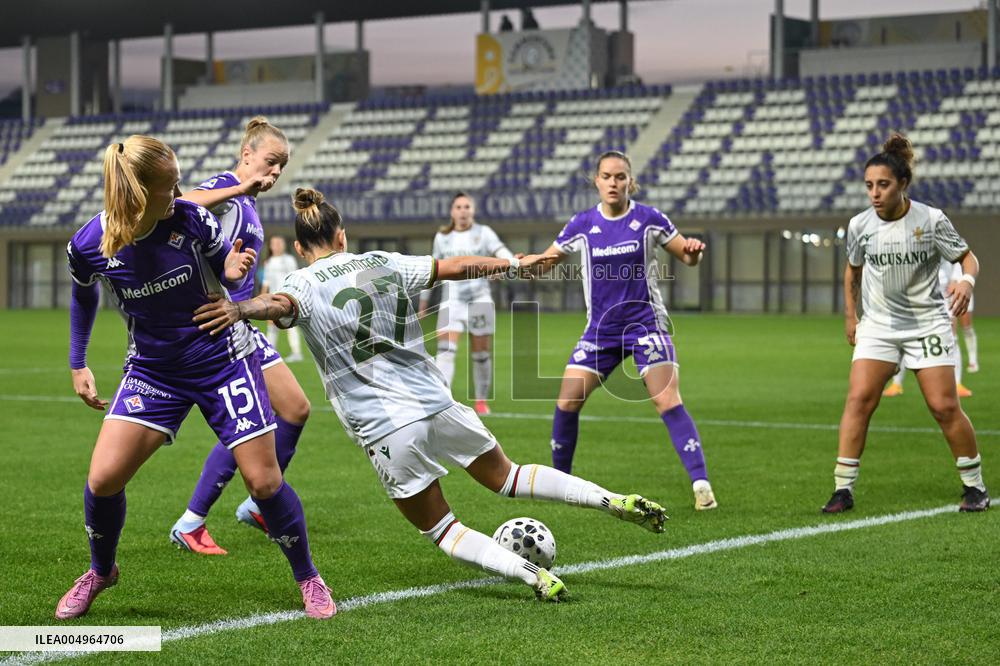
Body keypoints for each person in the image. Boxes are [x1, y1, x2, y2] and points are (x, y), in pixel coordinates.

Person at [193, 188, 669, 602]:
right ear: (343, 235)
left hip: (384, 426)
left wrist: (241, 309)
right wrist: (512, 263)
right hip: (437, 403)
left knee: (444, 529)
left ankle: (533, 574)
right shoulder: (386, 262)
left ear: (299, 247)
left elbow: (278, 305)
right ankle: (612, 500)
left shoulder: (299, 282)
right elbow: (455, 267)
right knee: (510, 476)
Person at [58, 136, 334, 621]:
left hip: (222, 359)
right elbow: (83, 295)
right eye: (171, 186)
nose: (181, 191)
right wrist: (78, 362)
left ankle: (308, 576)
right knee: (102, 480)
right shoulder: (91, 243)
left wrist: (230, 271)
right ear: (140, 193)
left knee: (265, 482)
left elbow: (224, 272)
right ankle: (101, 571)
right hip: (153, 371)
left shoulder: (190, 219)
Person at [538, 150, 718, 511]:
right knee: (567, 401)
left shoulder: (650, 219)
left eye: (620, 177)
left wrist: (695, 251)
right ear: (597, 181)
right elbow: (546, 261)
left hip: (646, 326)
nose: (613, 183)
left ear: (630, 181)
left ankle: (702, 487)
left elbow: (687, 254)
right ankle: (561, 484)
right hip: (600, 331)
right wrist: (514, 265)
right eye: (607, 176)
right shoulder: (582, 224)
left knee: (666, 399)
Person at [167, 117, 313, 556]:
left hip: (239, 324)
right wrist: (238, 186)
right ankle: (195, 520)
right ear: (247, 154)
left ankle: (253, 504)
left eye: (280, 168)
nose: (273, 174)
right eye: (269, 163)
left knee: (294, 408)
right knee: (258, 422)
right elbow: (182, 203)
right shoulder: (227, 190)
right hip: (217, 331)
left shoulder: (246, 203)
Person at [822, 133, 989, 514]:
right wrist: (852, 316)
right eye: (869, 186)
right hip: (879, 326)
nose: (875, 193)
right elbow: (852, 271)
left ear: (902, 184)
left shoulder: (930, 220)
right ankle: (842, 489)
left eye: (883, 185)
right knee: (859, 401)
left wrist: (966, 281)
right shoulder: (860, 225)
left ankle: (974, 486)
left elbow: (968, 258)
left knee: (944, 406)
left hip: (927, 324)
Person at [418, 192, 515, 416]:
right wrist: (423, 302)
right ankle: (443, 400)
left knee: (481, 354)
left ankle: (481, 400)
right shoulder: (442, 237)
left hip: (480, 300)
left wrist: (510, 264)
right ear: (452, 212)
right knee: (445, 352)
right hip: (451, 301)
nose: (463, 211)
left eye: (467, 207)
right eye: (459, 207)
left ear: (473, 210)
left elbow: (502, 253)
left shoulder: (484, 233)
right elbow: (433, 270)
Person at [882, 258, 972, 398]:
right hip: (918, 299)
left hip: (944, 297)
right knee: (904, 337)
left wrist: (956, 279)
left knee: (952, 339)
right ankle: (896, 383)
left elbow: (962, 258)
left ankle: (957, 383)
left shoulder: (948, 239)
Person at [263, 235, 305, 362]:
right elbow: (266, 283)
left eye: (279, 243)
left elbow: (295, 279)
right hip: (272, 299)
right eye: (274, 243)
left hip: (287, 298)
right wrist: (262, 300)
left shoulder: (289, 260)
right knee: (271, 326)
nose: (277, 246)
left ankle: (297, 353)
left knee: (291, 326)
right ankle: (271, 352)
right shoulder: (268, 262)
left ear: (284, 245)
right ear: (270, 246)